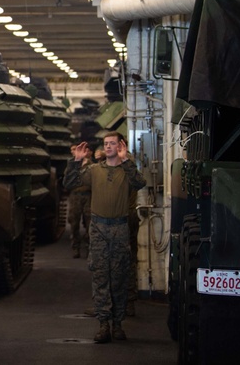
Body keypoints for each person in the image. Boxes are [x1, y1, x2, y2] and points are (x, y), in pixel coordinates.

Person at [64, 130, 146, 344]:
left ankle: (118, 324)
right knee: (100, 278)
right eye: (106, 144)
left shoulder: (126, 171)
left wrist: (126, 160)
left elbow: (140, 183)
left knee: (119, 278)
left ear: (120, 146)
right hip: (99, 229)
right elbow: (70, 183)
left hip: (119, 229)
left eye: (113, 144)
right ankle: (103, 324)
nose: (108, 147)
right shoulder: (94, 171)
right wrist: (76, 161)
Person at [67, 141, 93, 258]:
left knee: (90, 223)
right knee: (74, 223)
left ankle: (89, 247)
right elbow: (67, 181)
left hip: (89, 195)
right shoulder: (72, 165)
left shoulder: (93, 166)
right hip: (75, 195)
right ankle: (75, 247)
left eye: (86, 150)